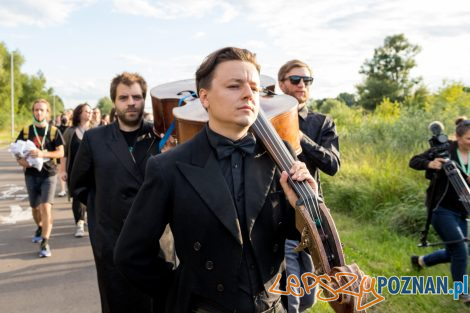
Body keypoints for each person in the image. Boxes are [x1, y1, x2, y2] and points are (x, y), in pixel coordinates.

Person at [114, 47, 316, 313]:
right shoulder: (169, 167)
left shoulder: (281, 156)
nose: (248, 94)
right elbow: (130, 255)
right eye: (234, 85)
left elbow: (303, 241)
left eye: (254, 88)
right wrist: (179, 290)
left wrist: (304, 205)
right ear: (205, 98)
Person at [70, 72, 168, 313]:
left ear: (144, 99)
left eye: (136, 96)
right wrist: (105, 206)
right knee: (118, 301)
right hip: (111, 238)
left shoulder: (160, 137)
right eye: (123, 97)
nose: (131, 102)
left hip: (155, 237)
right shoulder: (95, 138)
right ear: (114, 101)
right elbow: (78, 185)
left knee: (158, 302)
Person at [277, 60, 340, 313]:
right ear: (282, 84)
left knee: (307, 300)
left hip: (309, 217)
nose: (302, 85)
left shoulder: (322, 122)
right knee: (289, 301)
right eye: (295, 80)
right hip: (278, 217)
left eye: (307, 80)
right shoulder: (267, 119)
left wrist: (298, 136)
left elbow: (333, 165)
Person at [409, 117, 470, 304]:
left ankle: (420, 261)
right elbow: (414, 161)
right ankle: (462, 293)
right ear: (458, 138)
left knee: (457, 250)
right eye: (468, 138)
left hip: (463, 210)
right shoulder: (446, 149)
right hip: (441, 209)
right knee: (460, 249)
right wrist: (430, 164)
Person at [16, 99, 64, 258]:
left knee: (46, 207)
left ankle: (45, 242)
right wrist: (22, 161)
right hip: (31, 175)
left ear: (47, 112)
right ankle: (40, 226)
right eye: (36, 110)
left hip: (48, 174)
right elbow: (17, 151)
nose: (39, 113)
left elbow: (60, 153)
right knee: (35, 208)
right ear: (33, 111)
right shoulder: (25, 131)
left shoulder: (54, 131)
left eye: (42, 110)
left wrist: (43, 153)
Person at [60, 103, 92, 237]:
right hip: (74, 171)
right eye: (86, 111)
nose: (89, 114)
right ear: (79, 114)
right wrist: (63, 170)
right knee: (78, 198)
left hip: (92, 172)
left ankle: (92, 221)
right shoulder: (70, 131)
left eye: (90, 111)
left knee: (92, 197)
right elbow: (64, 153)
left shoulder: (95, 131)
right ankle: (79, 223)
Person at [56, 112, 70, 197]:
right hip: (61, 152)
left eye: (66, 118)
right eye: (63, 118)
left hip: (69, 152)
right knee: (61, 171)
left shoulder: (71, 128)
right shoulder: (57, 128)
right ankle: (63, 189)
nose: (64, 119)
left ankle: (69, 187)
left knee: (69, 171)